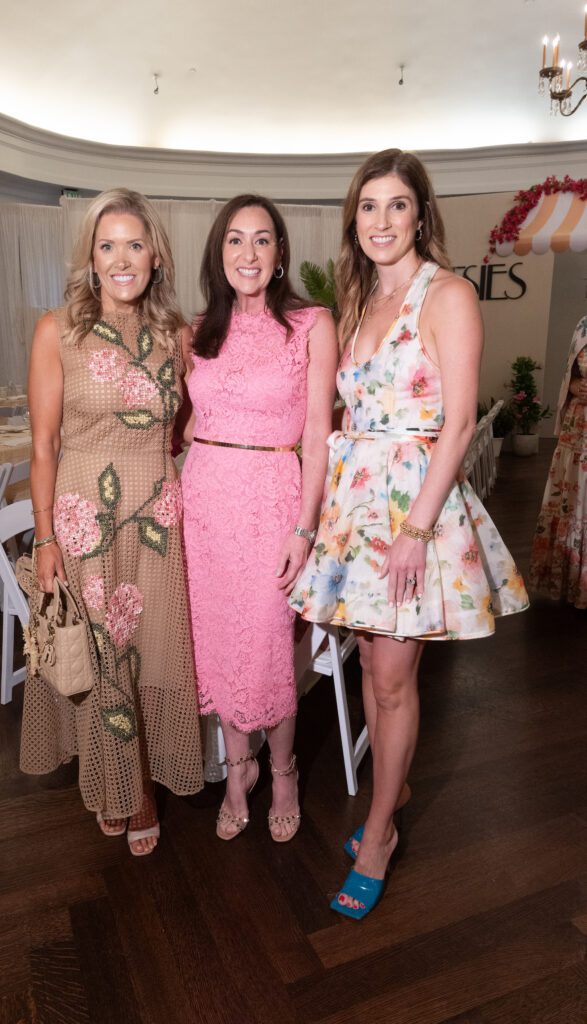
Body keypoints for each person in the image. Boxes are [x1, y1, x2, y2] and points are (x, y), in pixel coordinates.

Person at [289, 149, 529, 918]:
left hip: (410, 515)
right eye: (367, 206)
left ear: (420, 214)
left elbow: (457, 422)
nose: (381, 221)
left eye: (396, 205)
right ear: (352, 219)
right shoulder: (357, 302)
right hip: (355, 511)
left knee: (392, 681)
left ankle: (382, 830)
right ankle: (393, 784)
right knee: (370, 672)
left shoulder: (447, 294)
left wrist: (415, 531)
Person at [24, 188, 203, 856]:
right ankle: (115, 786)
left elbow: (182, 428)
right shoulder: (58, 331)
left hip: (155, 516)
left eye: (134, 244)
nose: (121, 259)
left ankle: (144, 789)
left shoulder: (175, 334)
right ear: (89, 258)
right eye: (107, 246)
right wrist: (44, 535)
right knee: (99, 654)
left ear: (155, 255)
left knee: (151, 650)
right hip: (81, 515)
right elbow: (42, 446)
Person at [180, 194, 338, 842]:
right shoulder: (195, 331)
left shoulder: (310, 323)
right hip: (204, 504)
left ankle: (282, 772)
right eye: (235, 240)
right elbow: (190, 422)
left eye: (262, 240)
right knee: (215, 644)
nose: (248, 253)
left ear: (279, 255)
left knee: (269, 645)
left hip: (273, 500)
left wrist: (304, 527)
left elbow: (320, 435)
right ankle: (237, 766)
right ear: (218, 256)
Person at [529, 314, 587, 608]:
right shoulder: (583, 324)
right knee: (575, 499)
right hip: (580, 427)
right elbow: (570, 374)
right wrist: (575, 386)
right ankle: (572, 582)